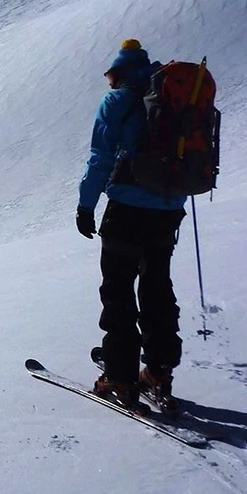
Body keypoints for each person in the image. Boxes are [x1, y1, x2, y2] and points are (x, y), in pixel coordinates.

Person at [76, 39, 188, 412]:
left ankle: (120, 376)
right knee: (157, 288)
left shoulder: (119, 101)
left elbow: (100, 158)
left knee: (118, 291)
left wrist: (85, 206)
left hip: (126, 210)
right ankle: (158, 373)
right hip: (168, 210)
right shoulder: (173, 96)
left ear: (120, 73)